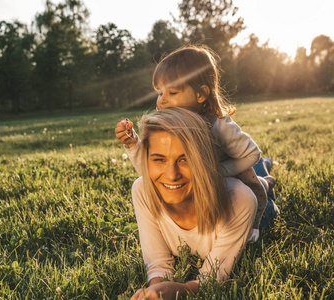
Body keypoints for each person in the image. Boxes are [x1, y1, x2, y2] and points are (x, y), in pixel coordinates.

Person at [115, 45, 275, 242]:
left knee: (259, 204)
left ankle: (266, 187)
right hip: (200, 189)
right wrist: (133, 144)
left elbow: (251, 155)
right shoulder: (164, 126)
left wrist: (218, 171)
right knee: (260, 168)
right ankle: (265, 172)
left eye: (172, 92)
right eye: (159, 93)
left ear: (201, 94)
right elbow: (151, 171)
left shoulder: (218, 125)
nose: (161, 101)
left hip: (233, 183)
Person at [129, 107, 260, 299]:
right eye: (159, 159)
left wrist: (181, 290)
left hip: (255, 218)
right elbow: (158, 263)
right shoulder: (143, 190)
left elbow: (213, 276)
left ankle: (265, 175)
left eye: (184, 160)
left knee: (264, 188)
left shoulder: (240, 201)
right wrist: (155, 291)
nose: (172, 175)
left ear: (203, 160)